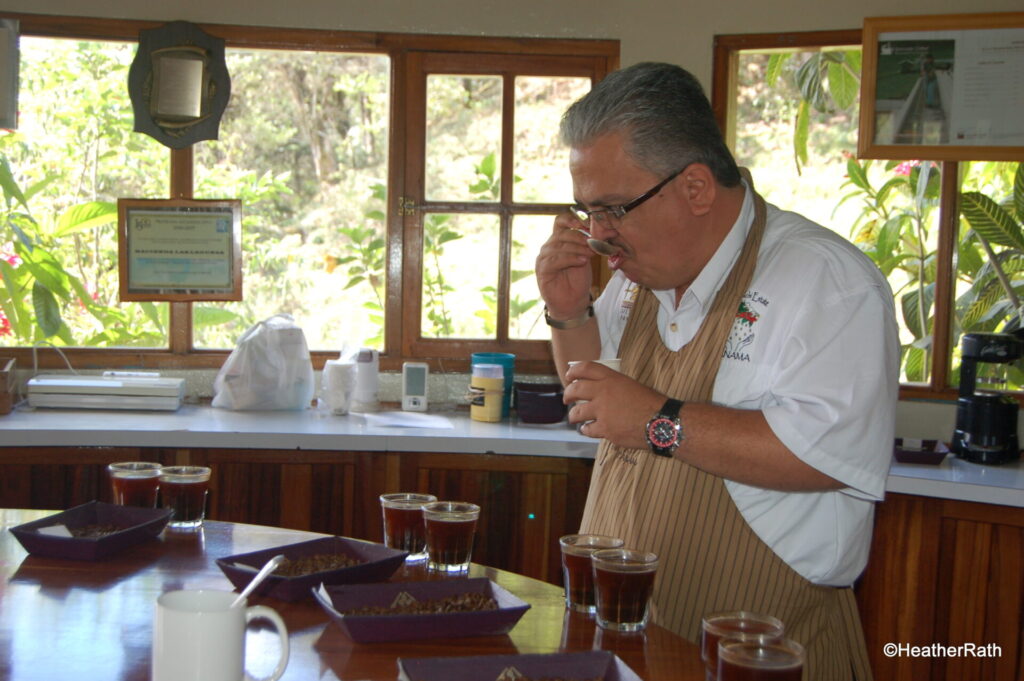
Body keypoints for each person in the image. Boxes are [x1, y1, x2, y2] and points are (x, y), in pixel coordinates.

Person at [535, 62, 899, 681]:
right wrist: (568, 315)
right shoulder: (636, 279)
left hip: (765, 653)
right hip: (622, 636)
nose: (598, 236)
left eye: (613, 209)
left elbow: (826, 454)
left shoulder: (825, 282)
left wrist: (656, 421)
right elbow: (596, 405)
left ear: (696, 188)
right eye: (585, 211)